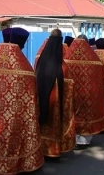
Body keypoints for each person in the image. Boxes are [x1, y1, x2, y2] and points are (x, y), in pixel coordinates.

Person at [0, 27, 44, 174]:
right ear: (21, 44)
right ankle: (17, 163)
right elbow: (32, 97)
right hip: (16, 118)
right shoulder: (25, 68)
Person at [64, 36, 104, 148]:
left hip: (72, 94)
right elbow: (102, 79)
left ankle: (72, 138)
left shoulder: (66, 58)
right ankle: (84, 140)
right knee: (86, 116)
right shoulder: (95, 60)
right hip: (88, 96)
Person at [35, 29, 75, 157]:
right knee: (53, 122)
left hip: (41, 99)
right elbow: (69, 92)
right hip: (55, 103)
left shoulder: (40, 61)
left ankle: (40, 148)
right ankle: (53, 150)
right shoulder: (63, 67)